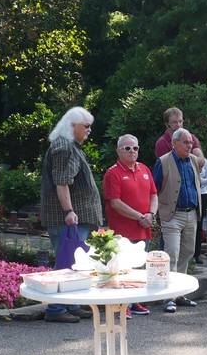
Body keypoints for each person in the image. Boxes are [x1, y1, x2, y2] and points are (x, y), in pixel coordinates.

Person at [39, 107, 102, 322]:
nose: (89, 130)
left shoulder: (69, 145)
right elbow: (62, 182)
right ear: (72, 125)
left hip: (74, 217)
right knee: (66, 263)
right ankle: (56, 309)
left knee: (74, 263)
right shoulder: (64, 146)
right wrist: (69, 211)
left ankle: (71, 304)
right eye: (86, 126)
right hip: (66, 217)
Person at [103, 134, 157, 316]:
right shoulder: (113, 173)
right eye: (127, 148)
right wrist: (139, 216)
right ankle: (121, 304)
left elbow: (154, 195)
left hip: (144, 227)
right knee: (122, 267)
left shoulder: (144, 169)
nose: (132, 151)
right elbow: (115, 202)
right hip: (122, 230)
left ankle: (136, 301)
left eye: (135, 148)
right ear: (118, 151)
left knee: (140, 266)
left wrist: (150, 214)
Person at [153, 129, 203, 314]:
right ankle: (168, 296)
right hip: (172, 215)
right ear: (174, 143)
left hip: (191, 214)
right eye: (185, 142)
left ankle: (180, 293)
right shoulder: (163, 161)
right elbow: (154, 189)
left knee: (187, 253)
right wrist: (156, 212)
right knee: (171, 254)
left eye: (190, 142)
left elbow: (196, 184)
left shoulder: (193, 161)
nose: (190, 146)